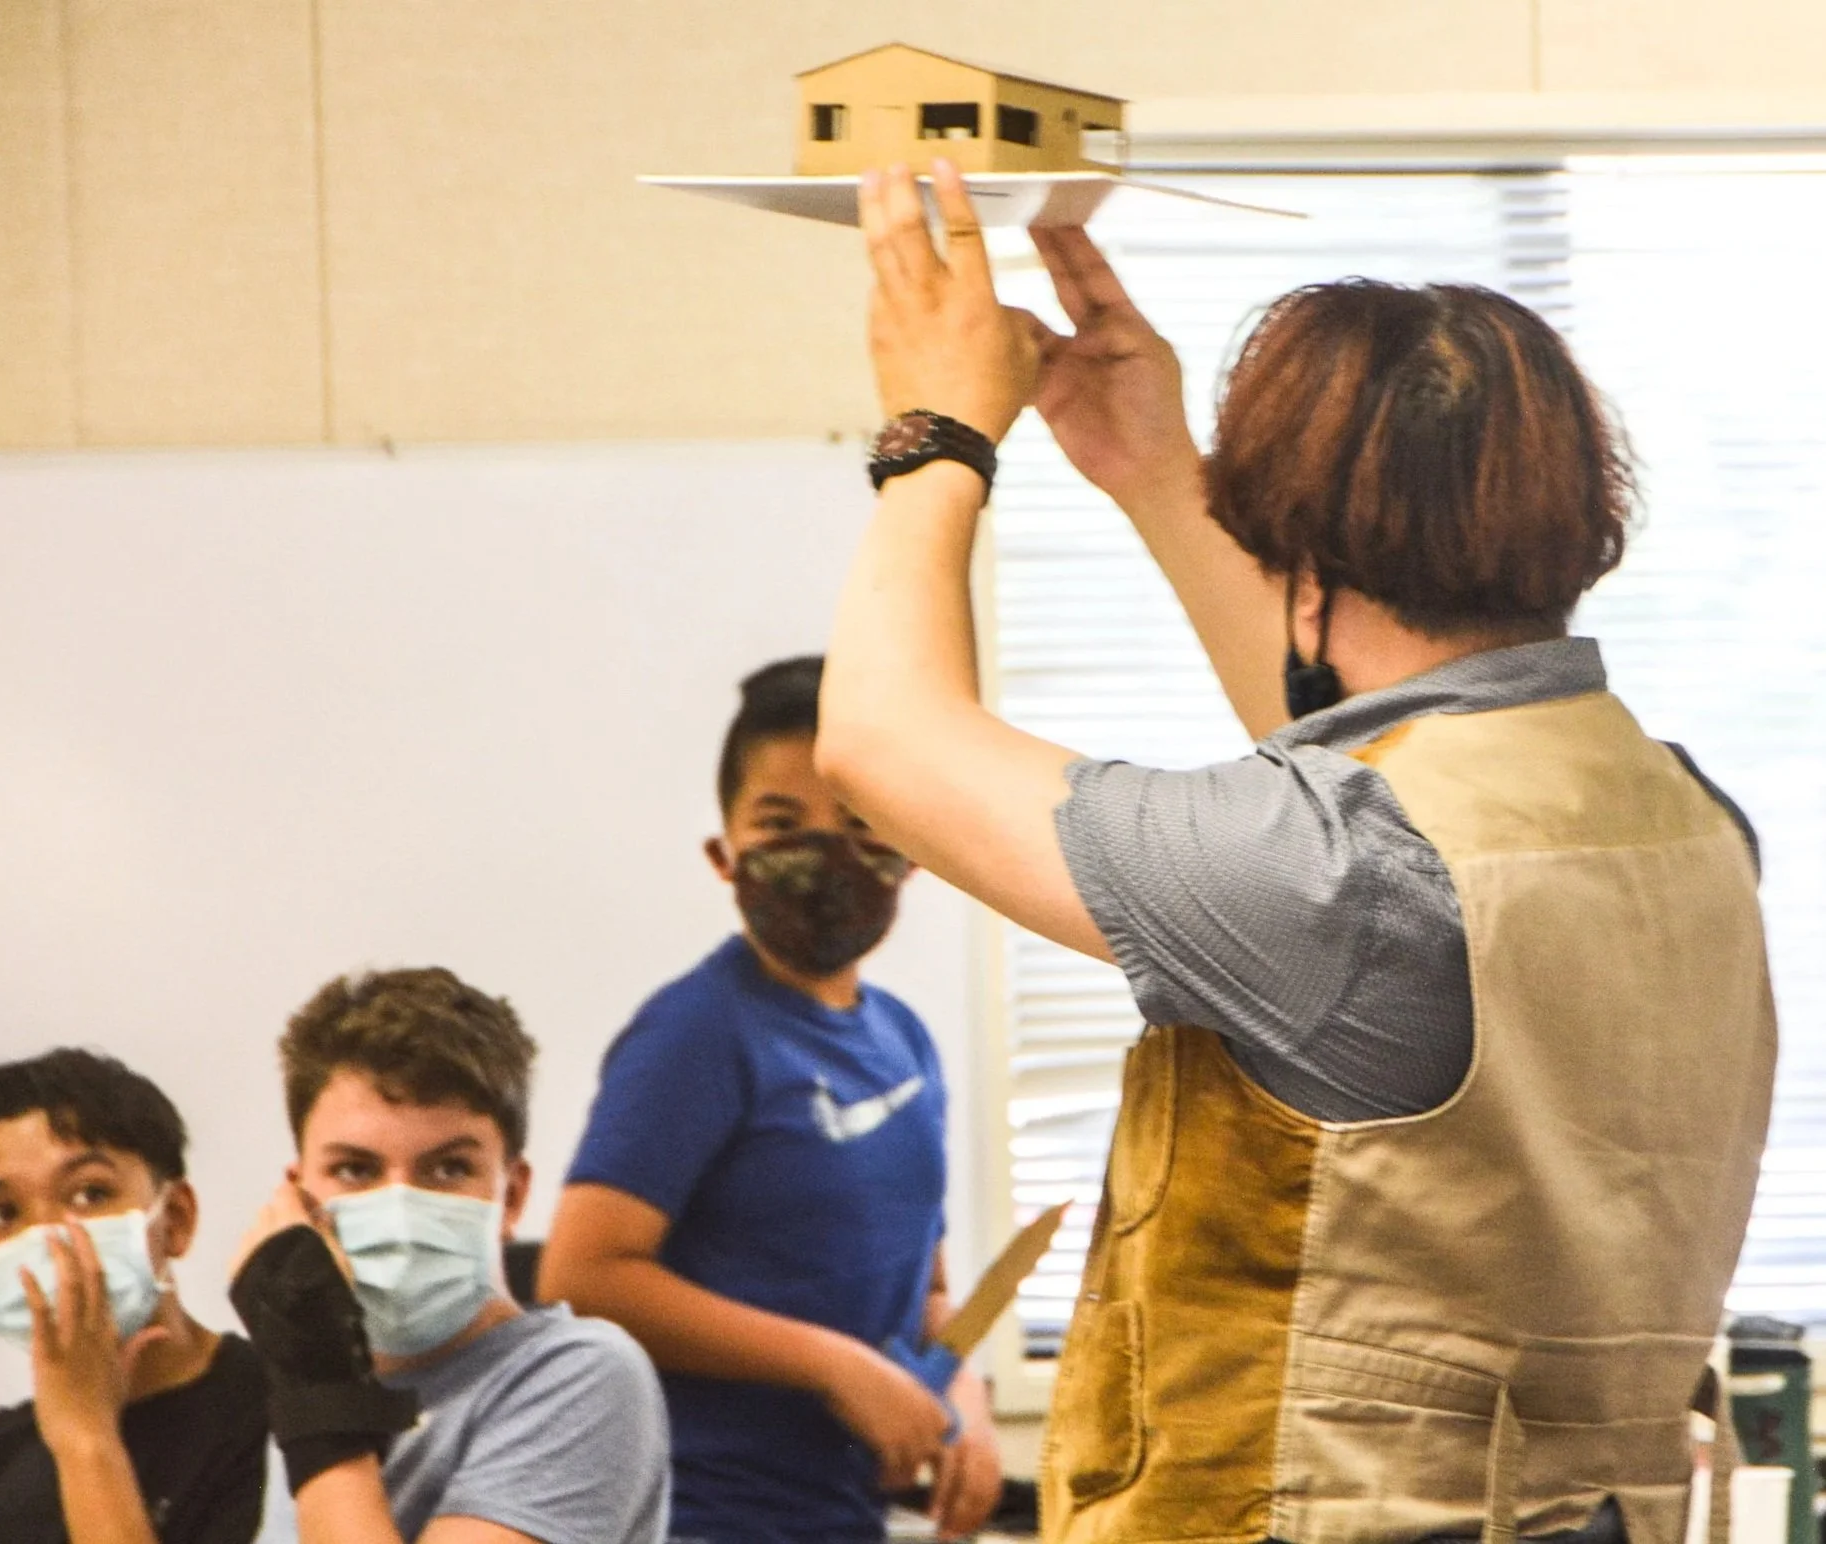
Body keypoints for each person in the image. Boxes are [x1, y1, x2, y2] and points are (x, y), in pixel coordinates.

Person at [814, 162, 1776, 1544]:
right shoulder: (1680, 813)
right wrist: (1159, 474)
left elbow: (879, 741)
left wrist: (938, 432)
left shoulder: (1336, 875)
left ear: (1305, 555)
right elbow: (1388, 764)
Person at [538, 655, 1002, 1544]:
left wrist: (965, 1397)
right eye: (782, 824)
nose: (826, 854)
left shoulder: (905, 1041)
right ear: (724, 855)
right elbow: (583, 1277)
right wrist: (834, 1366)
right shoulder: (695, 1033)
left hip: (848, 1518)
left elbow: (927, 1285)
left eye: (859, 823)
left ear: (910, 851)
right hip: (706, 1515)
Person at [231, 965, 669, 1544]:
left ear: (512, 1196)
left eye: (448, 1168)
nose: (400, 1206)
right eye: (355, 1170)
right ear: (298, 1197)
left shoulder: (583, 1375)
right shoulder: (317, 1377)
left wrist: (318, 1399)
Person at [0, 1048, 267, 1544]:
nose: (49, 1238)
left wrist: (86, 1440)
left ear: (175, 1219)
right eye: (1, 1214)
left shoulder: (279, 1416)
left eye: (89, 1194)